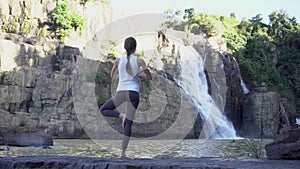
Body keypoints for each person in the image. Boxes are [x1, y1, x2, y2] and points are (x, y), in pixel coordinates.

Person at [99, 37, 152, 158]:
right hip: (133, 93)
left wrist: (115, 67)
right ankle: (122, 153)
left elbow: (113, 76)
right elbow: (149, 76)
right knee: (128, 124)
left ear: (125, 47)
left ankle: (120, 115)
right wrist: (139, 76)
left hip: (121, 92)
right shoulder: (139, 61)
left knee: (103, 109)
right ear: (135, 48)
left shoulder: (118, 60)